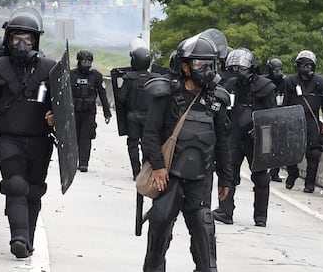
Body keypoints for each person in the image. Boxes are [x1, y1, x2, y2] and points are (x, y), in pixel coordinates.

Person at [141, 29, 233, 272]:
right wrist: (159, 168)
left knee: (204, 228)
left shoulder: (217, 100)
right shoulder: (167, 94)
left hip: (201, 178)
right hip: (169, 176)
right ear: (184, 66)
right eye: (199, 63)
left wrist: (226, 178)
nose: (206, 69)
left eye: (209, 64)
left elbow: (223, 142)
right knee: (159, 224)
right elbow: (149, 134)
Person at [0, 7, 57, 259]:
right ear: (9, 40)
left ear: (36, 41)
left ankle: (28, 239)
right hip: (9, 139)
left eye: (27, 39)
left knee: (33, 189)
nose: (22, 44)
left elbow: (63, 106)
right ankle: (18, 238)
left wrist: (56, 117)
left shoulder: (48, 70)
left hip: (40, 141)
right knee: (16, 185)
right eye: (16, 39)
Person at [211, 48, 277, 227]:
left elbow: (272, 115)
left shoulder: (265, 87)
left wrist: (262, 129)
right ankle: (225, 211)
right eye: (234, 68)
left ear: (251, 68)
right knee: (227, 173)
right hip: (234, 137)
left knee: (261, 178)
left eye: (241, 68)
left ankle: (260, 217)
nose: (238, 73)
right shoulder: (230, 85)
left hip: (257, 139)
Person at [283, 50, 323, 193]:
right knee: (290, 151)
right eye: (303, 65)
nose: (306, 68)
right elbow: (285, 101)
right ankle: (292, 173)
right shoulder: (290, 81)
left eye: (309, 65)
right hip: (294, 120)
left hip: (313, 121)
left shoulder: (319, 82)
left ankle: (310, 184)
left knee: (314, 153)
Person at [118, 40, 156, 179]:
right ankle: (146, 171)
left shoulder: (129, 78)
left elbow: (121, 98)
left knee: (133, 144)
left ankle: (136, 172)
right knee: (148, 144)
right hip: (149, 117)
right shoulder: (154, 78)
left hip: (132, 117)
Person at [70, 49, 112, 172]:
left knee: (86, 137)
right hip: (74, 111)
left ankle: (84, 163)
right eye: (83, 60)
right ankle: (73, 161)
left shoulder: (96, 76)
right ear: (79, 61)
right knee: (74, 137)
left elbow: (103, 95)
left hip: (89, 112)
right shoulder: (71, 75)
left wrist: (107, 113)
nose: (86, 63)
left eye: (88, 61)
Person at [264, 58, 286, 182]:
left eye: (280, 70)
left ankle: (274, 172)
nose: (278, 72)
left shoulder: (284, 82)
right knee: (266, 146)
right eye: (275, 70)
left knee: (279, 147)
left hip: (280, 114)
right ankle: (264, 170)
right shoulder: (264, 81)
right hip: (267, 115)